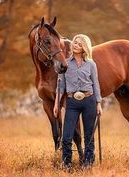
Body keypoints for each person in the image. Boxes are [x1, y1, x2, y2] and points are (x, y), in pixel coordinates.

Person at [53, 34, 102, 169]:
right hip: (72, 102)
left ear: (84, 48)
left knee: (89, 137)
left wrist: (98, 103)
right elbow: (60, 86)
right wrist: (56, 104)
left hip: (89, 101)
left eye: (80, 44)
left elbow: (95, 84)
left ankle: (88, 164)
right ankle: (67, 164)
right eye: (75, 42)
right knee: (67, 137)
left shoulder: (91, 64)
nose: (76, 45)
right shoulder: (65, 63)